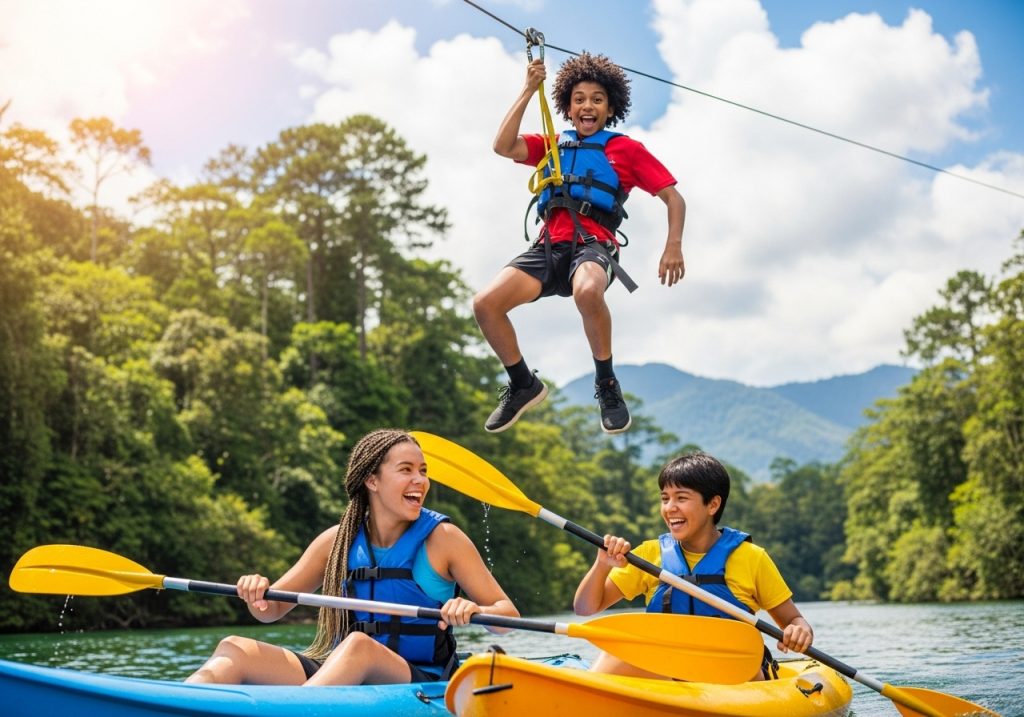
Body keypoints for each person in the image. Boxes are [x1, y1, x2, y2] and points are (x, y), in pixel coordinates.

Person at [186, 429, 518, 686]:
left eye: (423, 470)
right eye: (406, 469)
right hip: (341, 671)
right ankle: (178, 704)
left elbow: (507, 615)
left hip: (423, 680)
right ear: (371, 480)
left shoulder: (443, 539)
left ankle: (294, 709)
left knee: (360, 646)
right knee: (236, 648)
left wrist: (475, 609)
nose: (420, 480)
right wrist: (255, 592)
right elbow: (269, 611)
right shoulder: (337, 542)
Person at [476, 52, 686, 435]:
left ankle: (606, 384)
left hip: (593, 245)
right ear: (568, 109)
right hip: (548, 248)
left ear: (610, 108)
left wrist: (673, 245)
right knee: (485, 304)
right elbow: (503, 146)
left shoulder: (626, 150)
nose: (587, 105)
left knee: (587, 291)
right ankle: (523, 384)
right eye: (579, 99)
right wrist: (527, 90)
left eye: (597, 99)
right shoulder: (553, 144)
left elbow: (674, 197)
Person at [573, 451, 813, 681]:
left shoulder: (751, 558)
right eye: (665, 498)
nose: (670, 508)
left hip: (733, 671)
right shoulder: (648, 555)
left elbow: (794, 620)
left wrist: (798, 632)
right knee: (613, 656)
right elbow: (585, 608)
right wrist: (602, 565)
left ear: (712, 505)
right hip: (667, 667)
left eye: (681, 498)